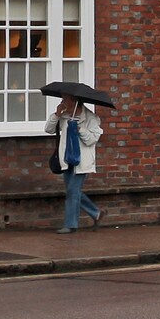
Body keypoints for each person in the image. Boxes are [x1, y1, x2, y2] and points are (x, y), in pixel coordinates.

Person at [45, 96, 102, 232]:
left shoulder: (91, 118)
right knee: (73, 192)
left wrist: (80, 130)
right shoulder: (64, 116)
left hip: (81, 161)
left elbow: (92, 139)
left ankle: (70, 225)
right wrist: (56, 115)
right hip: (66, 159)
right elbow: (49, 129)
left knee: (72, 191)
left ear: (75, 102)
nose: (63, 102)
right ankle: (96, 213)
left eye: (66, 100)